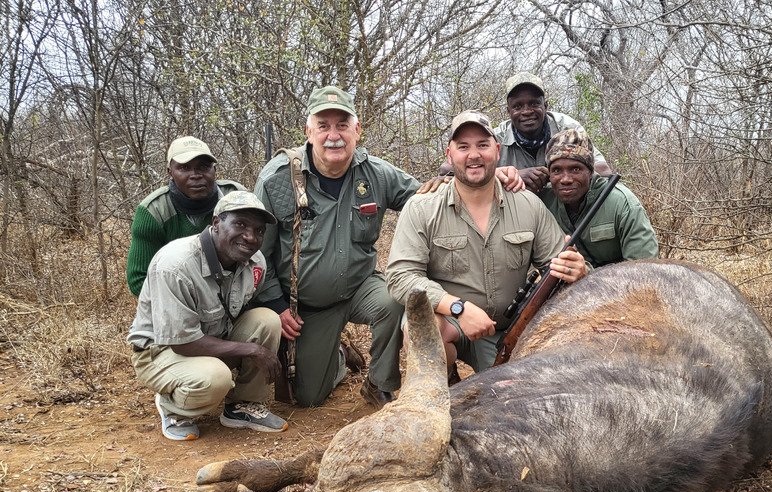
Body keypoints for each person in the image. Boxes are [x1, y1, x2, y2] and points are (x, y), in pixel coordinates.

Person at [255, 85, 524, 409]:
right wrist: (276, 302)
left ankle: (380, 384)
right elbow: (257, 252)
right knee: (308, 397)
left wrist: (494, 178)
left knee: (399, 297)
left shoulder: (377, 174)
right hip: (307, 305)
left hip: (360, 287)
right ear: (308, 131)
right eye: (323, 125)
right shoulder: (277, 179)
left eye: (342, 125)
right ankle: (337, 355)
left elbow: (432, 199)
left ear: (357, 130)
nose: (333, 135)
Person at [387, 111, 588, 375]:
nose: (474, 155)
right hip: (452, 321)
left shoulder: (528, 204)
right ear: (449, 154)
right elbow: (401, 276)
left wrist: (578, 271)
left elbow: (557, 265)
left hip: (509, 328)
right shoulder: (422, 207)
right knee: (421, 330)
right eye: (463, 147)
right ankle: (444, 380)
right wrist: (458, 308)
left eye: (482, 145)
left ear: (497, 150)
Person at [127, 191, 287, 441]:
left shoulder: (255, 262)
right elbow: (182, 343)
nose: (250, 237)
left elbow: (243, 313)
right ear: (215, 224)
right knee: (216, 378)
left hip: (211, 337)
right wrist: (252, 350)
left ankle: (243, 406)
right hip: (162, 350)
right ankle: (173, 408)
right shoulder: (175, 264)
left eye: (258, 230)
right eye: (240, 224)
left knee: (267, 320)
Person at [126, 136, 246, 296]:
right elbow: (139, 280)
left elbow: (257, 258)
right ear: (170, 172)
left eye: (203, 167)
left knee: (266, 320)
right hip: (177, 302)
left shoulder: (236, 198)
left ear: (214, 170)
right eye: (184, 168)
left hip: (232, 296)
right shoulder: (153, 211)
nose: (195, 175)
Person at [540, 129, 658, 267]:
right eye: (557, 170)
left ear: (590, 172)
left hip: (618, 286)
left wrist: (586, 275)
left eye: (575, 169)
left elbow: (644, 273)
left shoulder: (623, 204)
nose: (566, 179)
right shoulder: (542, 202)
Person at [495, 73, 613, 192]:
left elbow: (603, 171)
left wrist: (555, 176)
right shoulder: (495, 139)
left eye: (534, 103)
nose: (526, 111)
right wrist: (513, 176)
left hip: (563, 205)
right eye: (518, 106)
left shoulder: (568, 129)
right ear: (508, 111)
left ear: (545, 106)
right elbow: (478, 179)